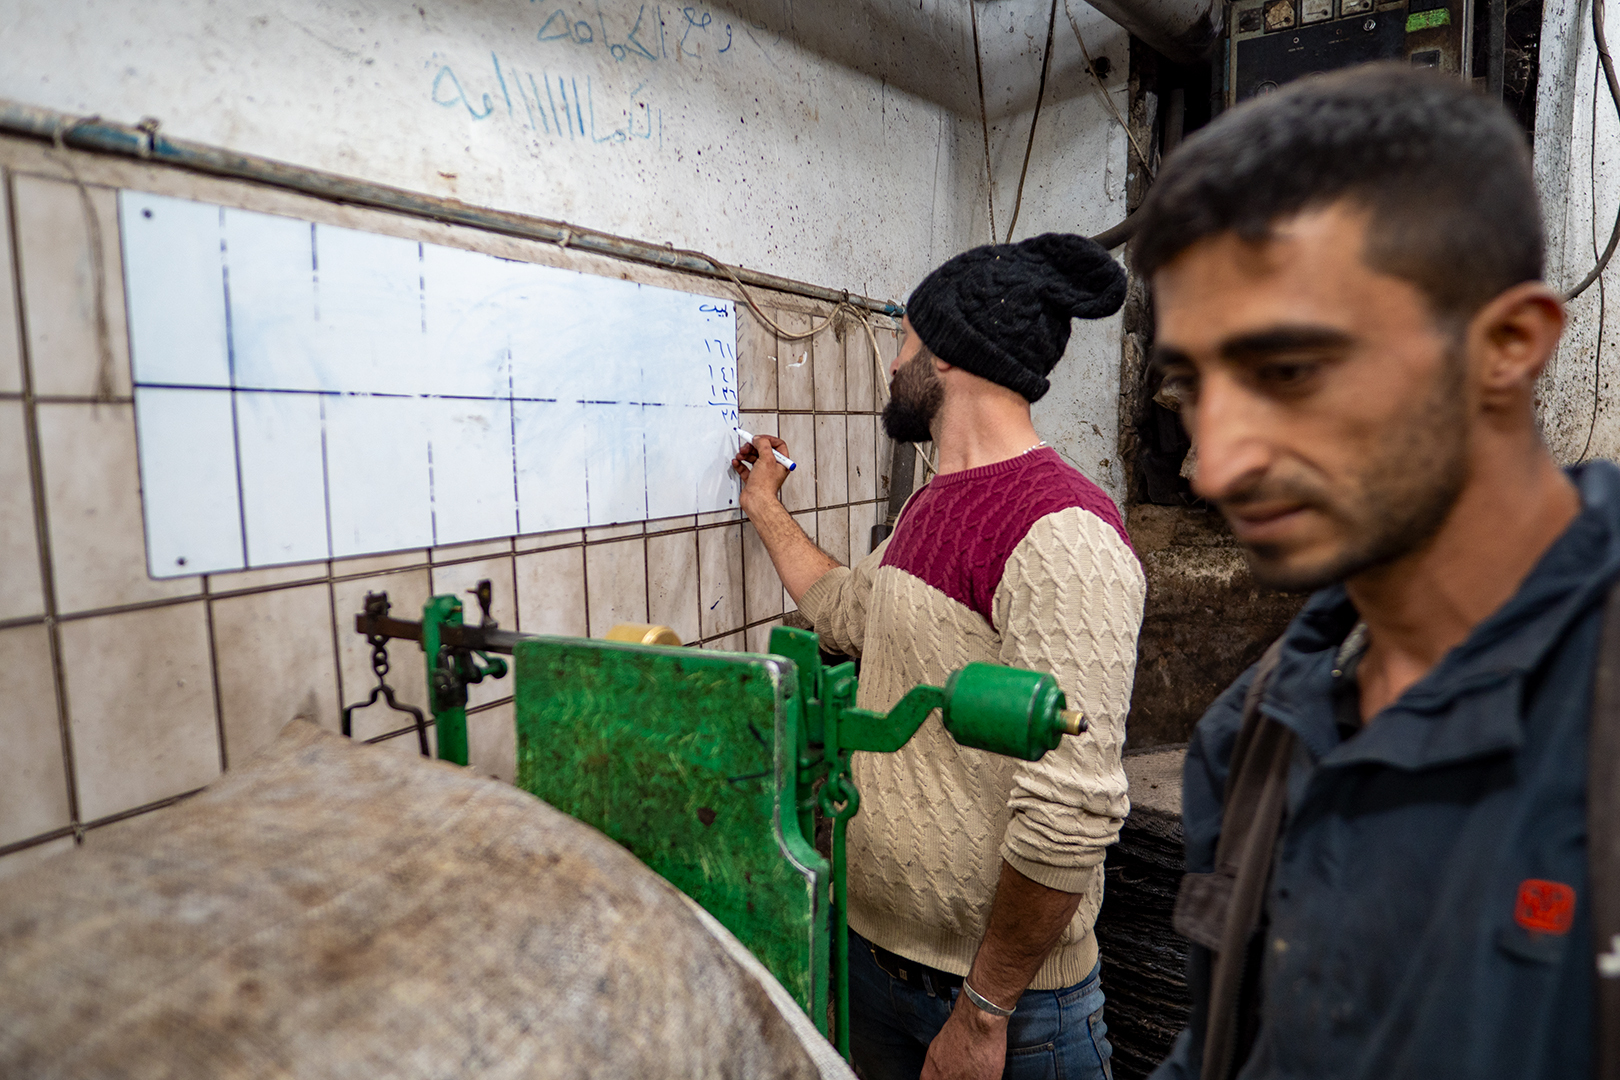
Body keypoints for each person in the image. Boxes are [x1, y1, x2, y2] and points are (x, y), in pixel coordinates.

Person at [1132, 65, 1609, 1080]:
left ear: (1508, 345)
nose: (1216, 465)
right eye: (1190, 386)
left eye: (1289, 372)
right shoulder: (1257, 735)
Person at [731, 234, 1145, 1080]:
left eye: (905, 340)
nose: (894, 364)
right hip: (878, 966)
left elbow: (1070, 815)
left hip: (1006, 1012)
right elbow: (846, 611)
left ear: (948, 353)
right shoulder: (932, 508)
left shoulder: (1063, 534)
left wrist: (983, 1014)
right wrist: (764, 506)